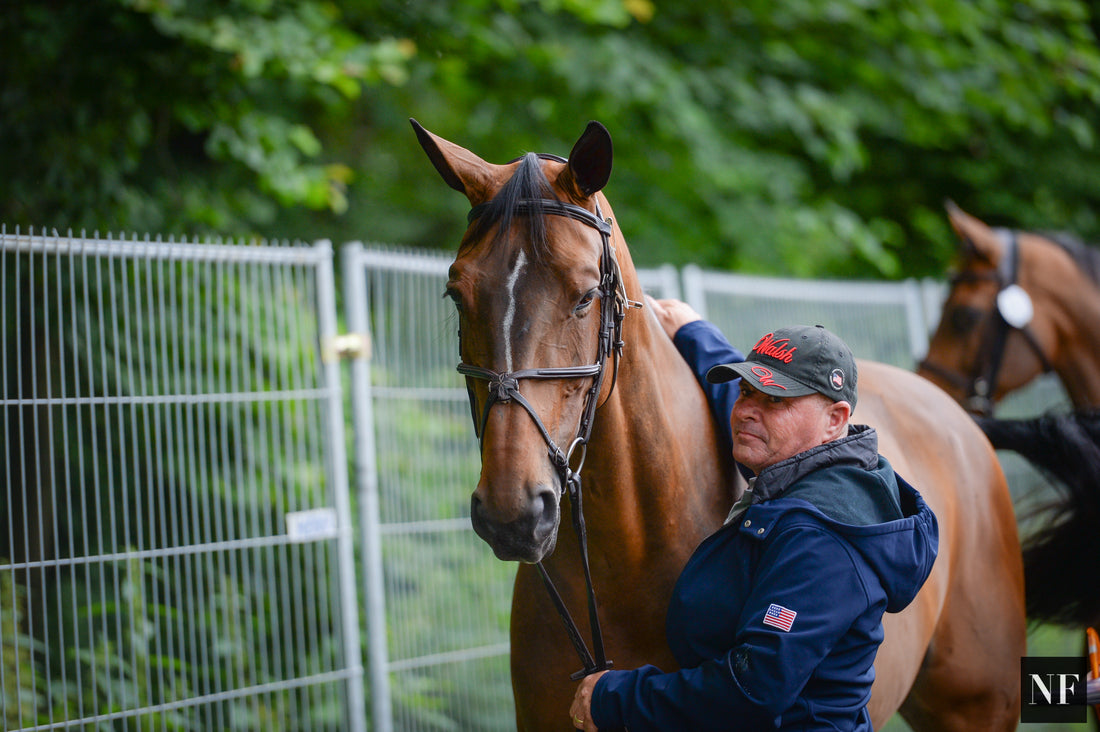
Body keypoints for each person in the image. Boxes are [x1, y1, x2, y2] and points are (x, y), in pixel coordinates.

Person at [568, 299, 939, 731]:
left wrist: (618, 699)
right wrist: (693, 330)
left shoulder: (820, 537)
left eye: (776, 399)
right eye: (747, 391)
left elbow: (753, 688)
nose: (747, 409)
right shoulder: (802, 461)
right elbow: (750, 407)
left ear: (835, 420)